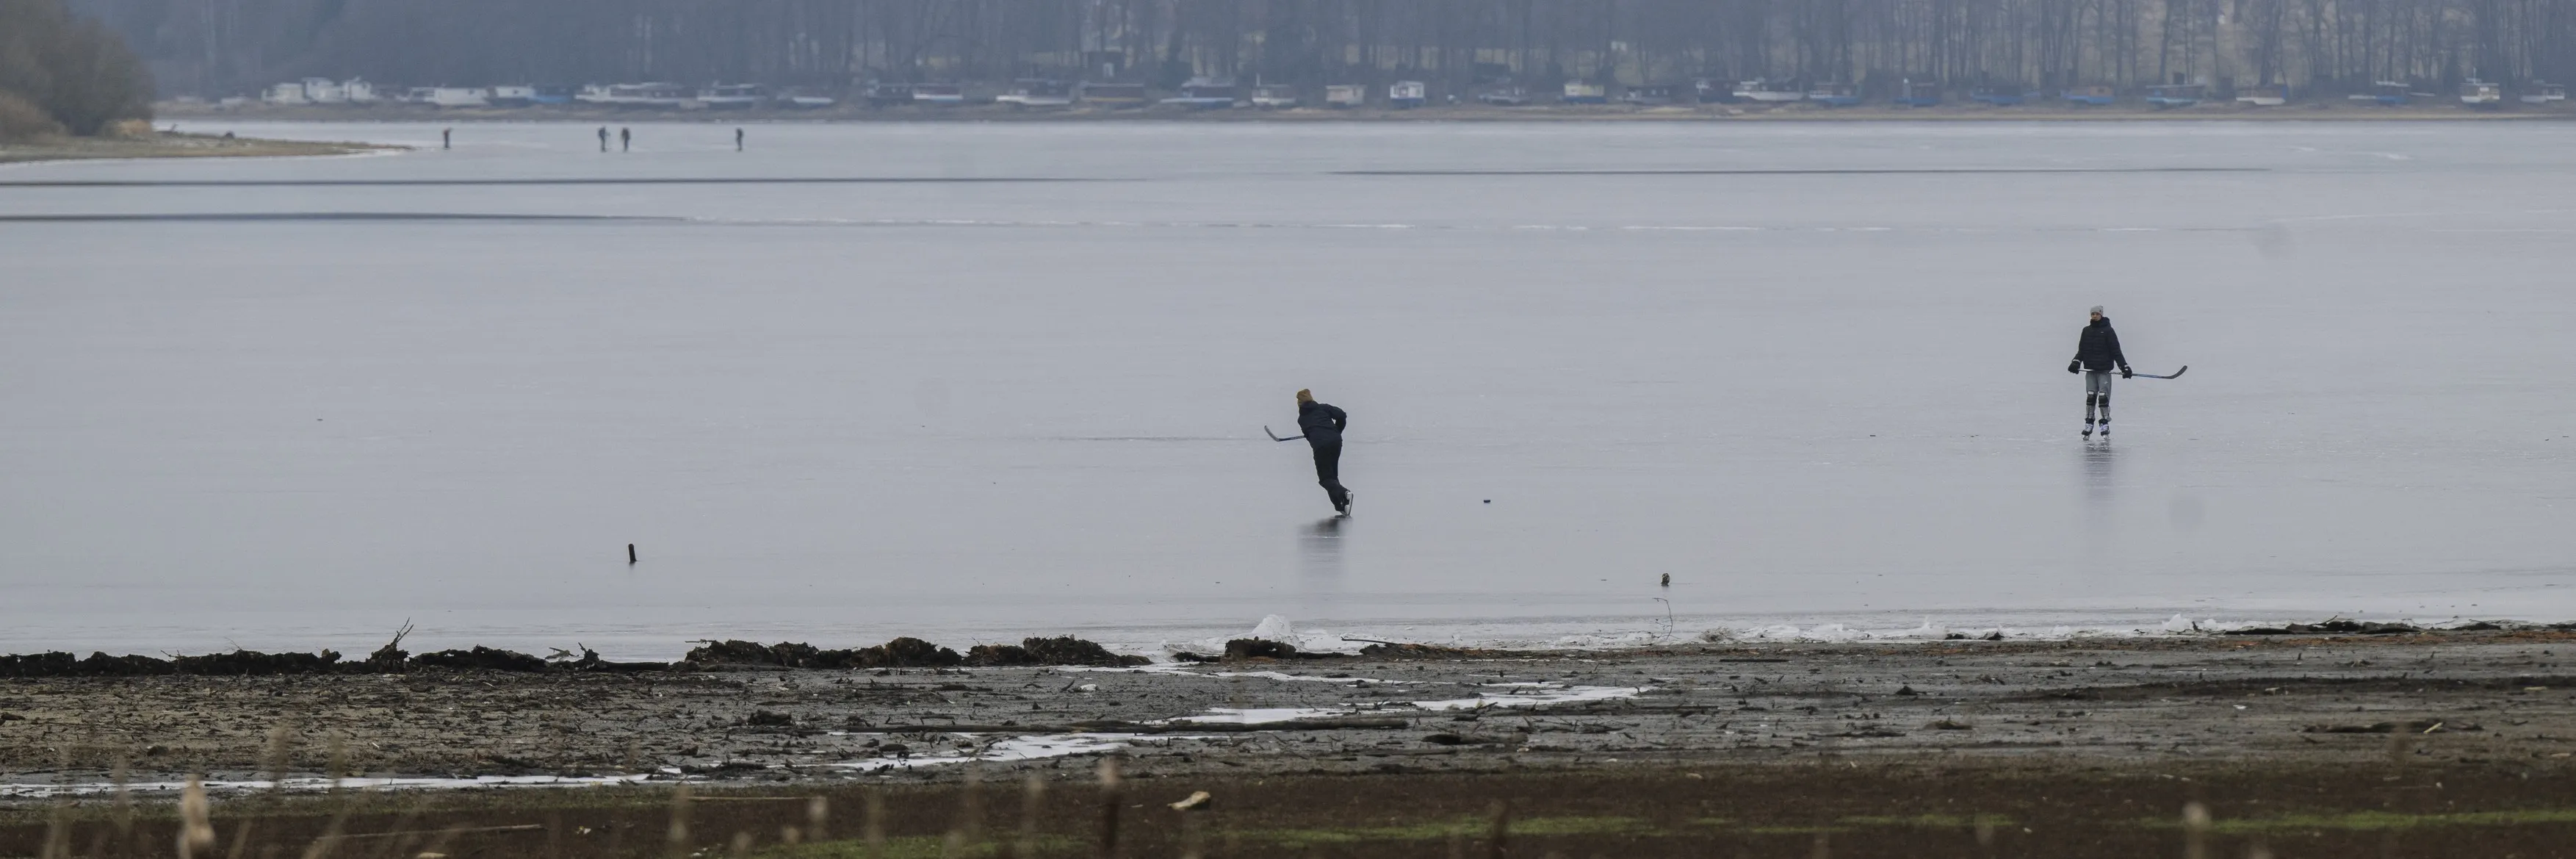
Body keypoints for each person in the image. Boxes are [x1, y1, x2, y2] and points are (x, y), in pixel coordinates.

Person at [2067, 305, 2132, 439]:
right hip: (2091, 370)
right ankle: (2089, 422)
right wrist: (2076, 362)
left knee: (2103, 397)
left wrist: (2124, 367)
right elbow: (2082, 350)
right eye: (2093, 314)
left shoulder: (2108, 331)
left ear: (2101, 315)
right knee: (2091, 396)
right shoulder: (2086, 331)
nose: (2095, 316)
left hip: (2104, 370)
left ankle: (2104, 423)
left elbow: (2116, 351)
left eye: (2097, 314)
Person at [1295, 389, 1353, 515]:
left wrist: (1311, 435)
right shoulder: (1324, 408)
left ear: (1299, 404)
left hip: (1321, 446)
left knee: (1325, 479)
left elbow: (1310, 437)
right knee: (1332, 477)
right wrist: (1337, 431)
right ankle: (1341, 506)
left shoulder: (1302, 419)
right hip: (1336, 441)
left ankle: (1344, 493)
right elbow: (1342, 415)